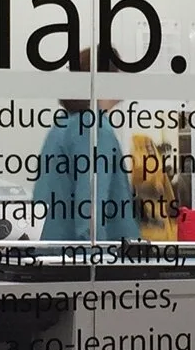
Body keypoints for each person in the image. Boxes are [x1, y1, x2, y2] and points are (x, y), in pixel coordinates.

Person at [37, 92, 141, 244]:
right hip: (86, 253)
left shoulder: (62, 126)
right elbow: (90, 215)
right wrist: (96, 252)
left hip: (56, 251)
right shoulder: (93, 129)